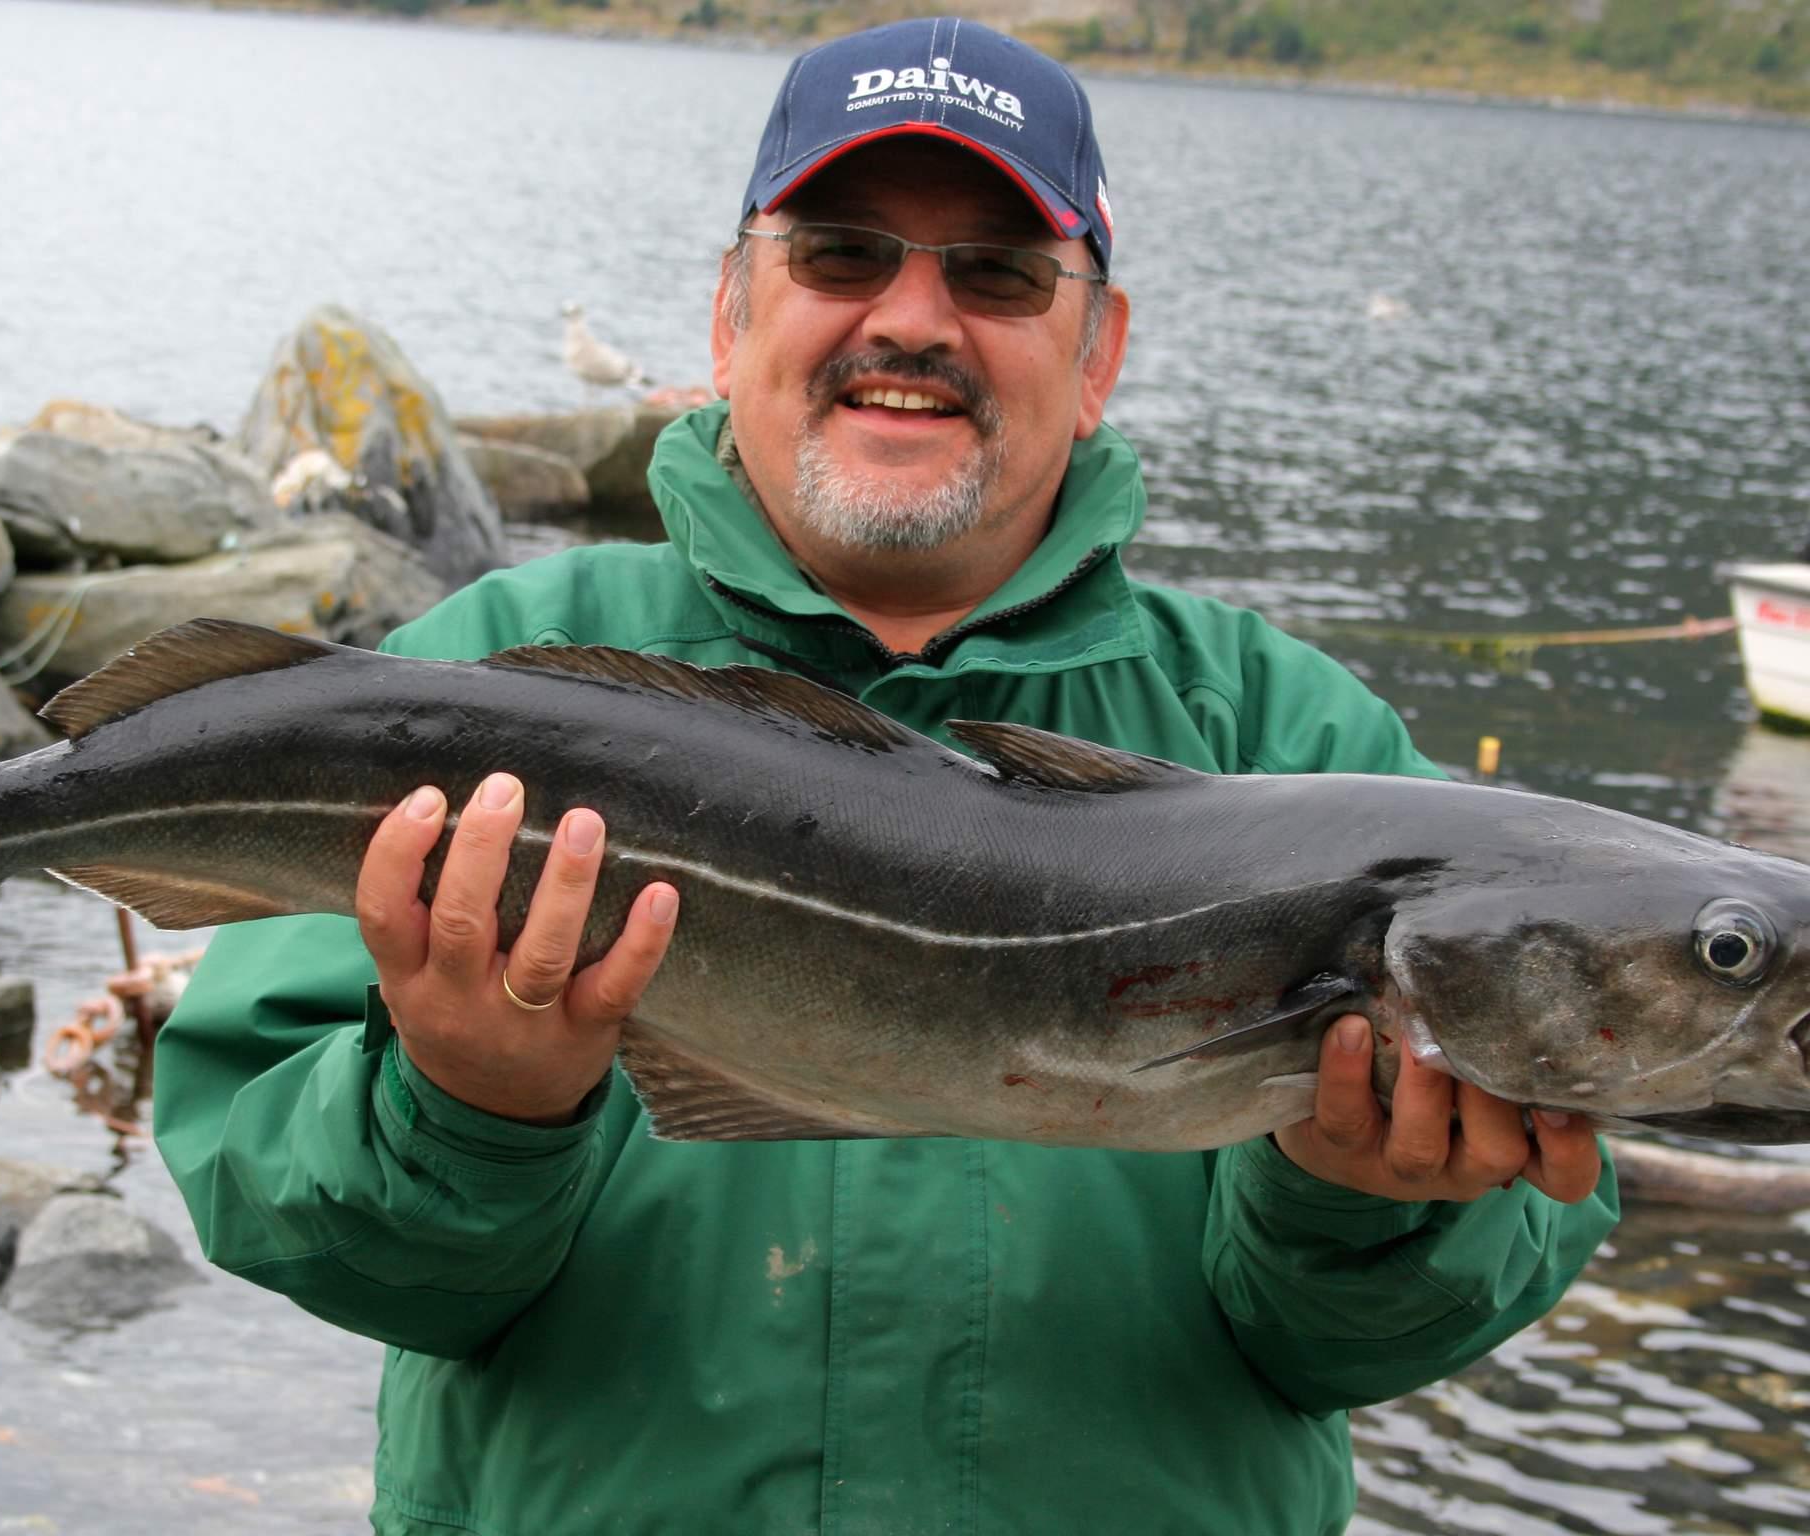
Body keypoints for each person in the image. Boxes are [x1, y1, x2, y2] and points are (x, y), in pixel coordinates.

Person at [154, 18, 1618, 1534]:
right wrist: (470, 1113)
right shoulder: (475, 682)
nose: (913, 320)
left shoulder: (1296, 737)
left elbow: (1349, 1351)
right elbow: (312, 1234)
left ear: (1099, 353)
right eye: (842, 254)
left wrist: (1363, 1207)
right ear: (730, 316)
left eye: (999, 272)